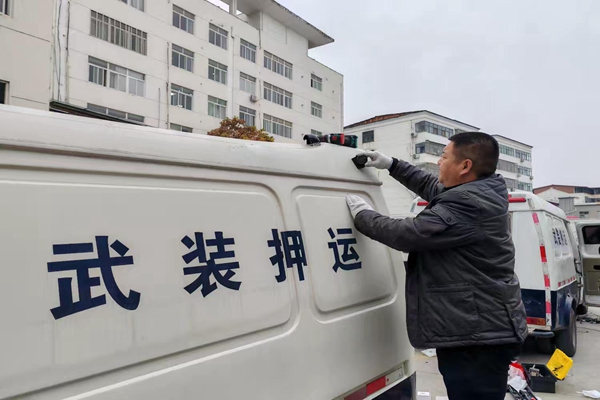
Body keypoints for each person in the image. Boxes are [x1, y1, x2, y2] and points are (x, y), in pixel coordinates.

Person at [345, 132, 527, 400]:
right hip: (479, 328)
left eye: (444, 157)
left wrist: (363, 215)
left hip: (478, 338)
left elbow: (408, 234)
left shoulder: (469, 203)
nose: (439, 163)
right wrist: (392, 164)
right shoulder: (480, 191)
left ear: (465, 166)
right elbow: (432, 186)